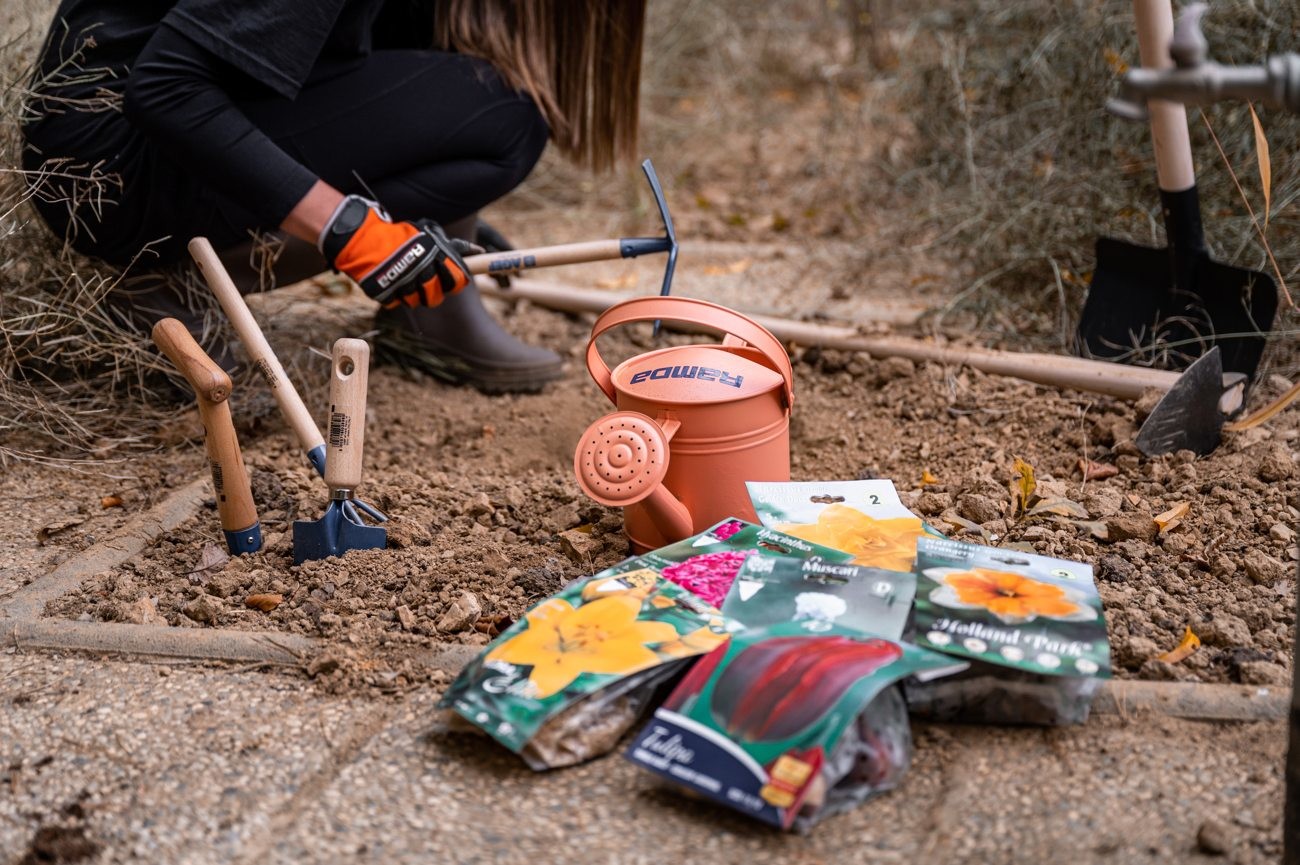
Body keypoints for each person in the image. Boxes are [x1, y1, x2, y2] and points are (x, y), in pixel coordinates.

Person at [21, 0, 648, 393]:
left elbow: (402, 58)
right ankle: (169, 287)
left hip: (139, 146)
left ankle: (428, 307)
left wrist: (448, 210)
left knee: (467, 88)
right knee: (508, 119)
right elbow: (167, 89)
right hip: (109, 168)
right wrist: (351, 230)